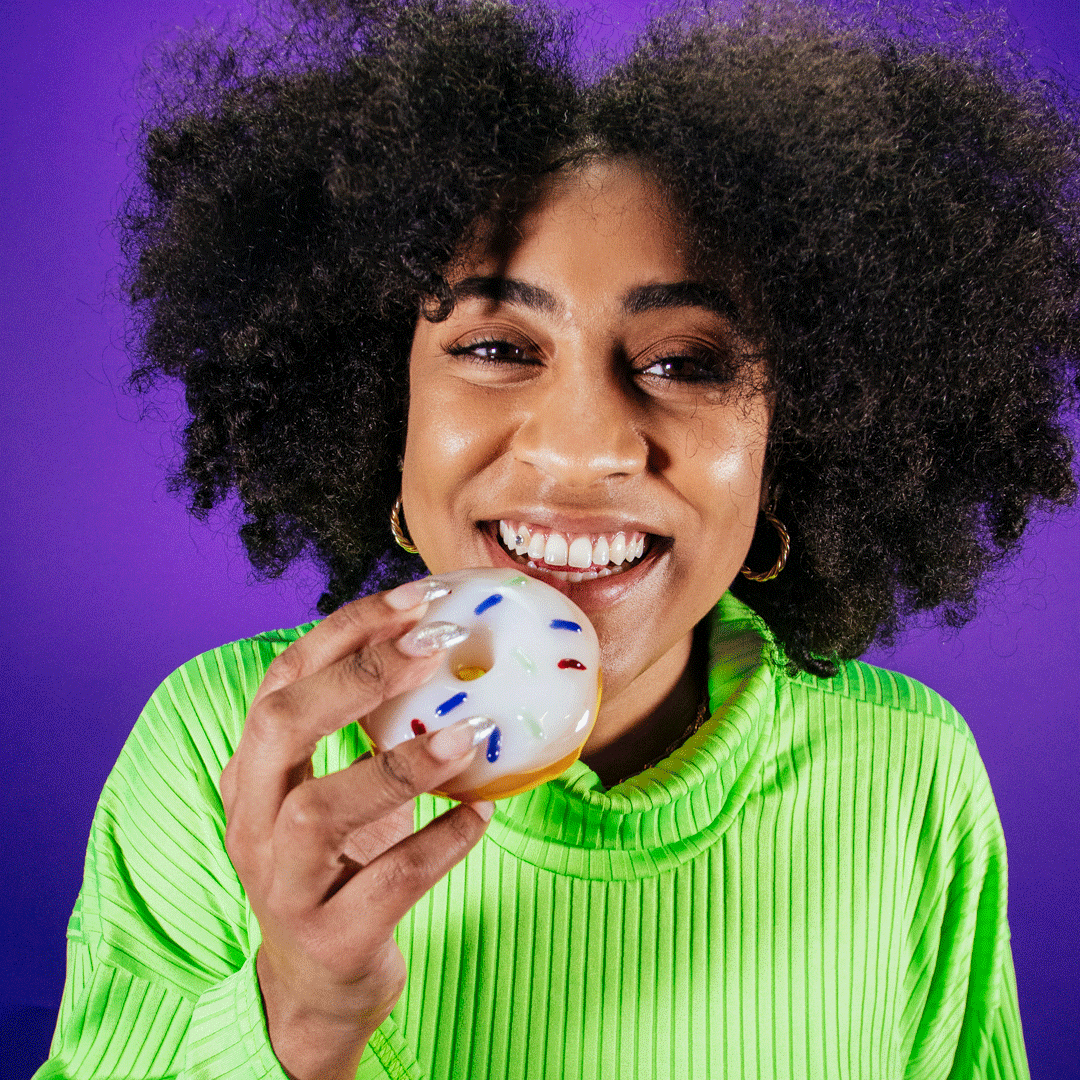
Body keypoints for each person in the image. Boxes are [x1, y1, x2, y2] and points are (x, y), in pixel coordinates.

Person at [35, 0, 1080, 1077]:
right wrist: (299, 1017)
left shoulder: (909, 774)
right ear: (384, 414)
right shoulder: (229, 745)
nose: (584, 451)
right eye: (496, 346)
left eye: (687, 362)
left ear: (796, 435)